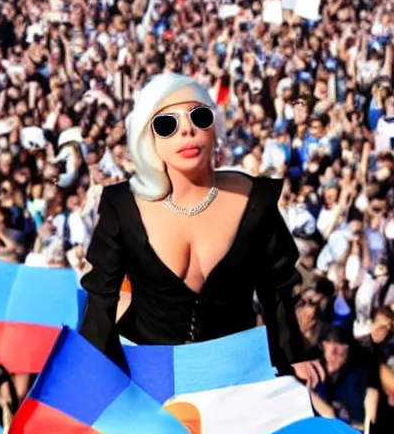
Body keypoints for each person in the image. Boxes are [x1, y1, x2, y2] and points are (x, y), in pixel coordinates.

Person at [80, 73, 324, 385]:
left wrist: (292, 356)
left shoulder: (254, 200)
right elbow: (102, 299)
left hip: (232, 375)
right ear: (147, 138)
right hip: (149, 376)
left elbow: (275, 292)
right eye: (167, 124)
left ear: (215, 128)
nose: (187, 129)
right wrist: (91, 374)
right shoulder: (121, 205)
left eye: (199, 116)